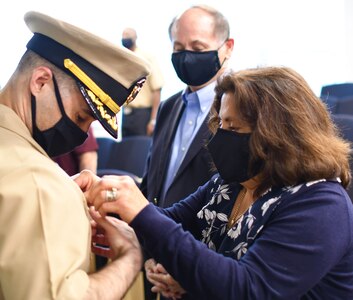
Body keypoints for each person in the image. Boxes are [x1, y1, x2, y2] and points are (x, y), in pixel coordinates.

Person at [75, 66, 353, 299]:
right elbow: (172, 221)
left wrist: (142, 213)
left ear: (279, 134)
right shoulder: (231, 183)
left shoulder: (322, 205)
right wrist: (111, 204)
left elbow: (249, 288)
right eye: (220, 124)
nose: (219, 137)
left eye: (233, 128)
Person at [0, 10, 150, 299]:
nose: (82, 133)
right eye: (82, 116)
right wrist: (129, 259)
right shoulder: (37, 182)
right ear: (40, 82)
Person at [140, 5, 234, 209]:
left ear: (228, 47)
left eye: (198, 48)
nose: (187, 56)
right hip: (155, 234)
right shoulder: (167, 108)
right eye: (179, 49)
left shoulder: (243, 110)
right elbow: (150, 185)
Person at [121, 27, 164, 137]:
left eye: (128, 35)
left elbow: (157, 89)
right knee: (125, 149)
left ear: (135, 37)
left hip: (142, 115)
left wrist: (153, 120)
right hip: (126, 114)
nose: (125, 38)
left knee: (141, 149)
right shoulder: (122, 58)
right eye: (123, 35)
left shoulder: (146, 58)